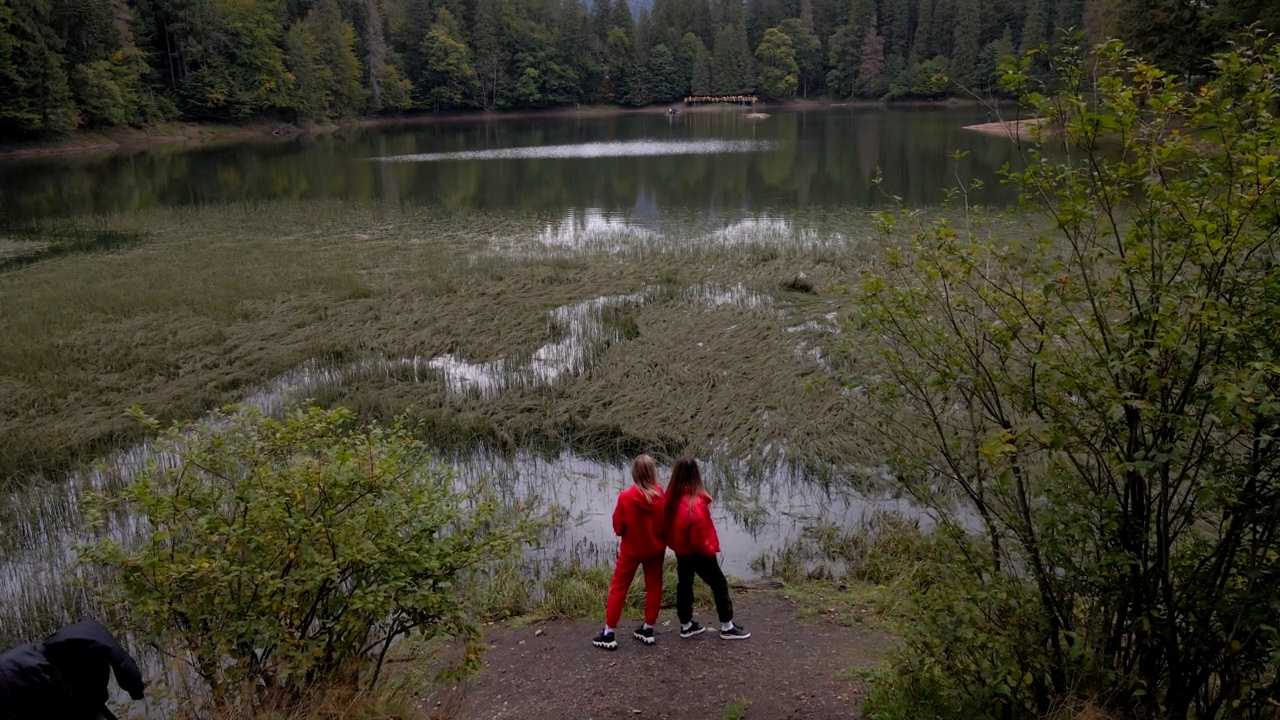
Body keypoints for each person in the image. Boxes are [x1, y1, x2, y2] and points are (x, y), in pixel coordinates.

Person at [665, 456, 750, 640]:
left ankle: (686, 625)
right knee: (719, 583)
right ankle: (727, 626)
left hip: (681, 551)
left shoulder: (671, 498)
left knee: (684, 584)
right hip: (697, 552)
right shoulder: (695, 504)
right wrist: (711, 551)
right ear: (696, 474)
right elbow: (699, 538)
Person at [0, 617, 146, 720]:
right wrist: (137, 691)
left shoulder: (84, 636)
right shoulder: (103, 644)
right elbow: (126, 666)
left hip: (26, 670)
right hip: (12, 677)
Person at [593, 454, 667, 650]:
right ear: (653, 473)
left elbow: (618, 528)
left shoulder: (626, 498)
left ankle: (609, 633)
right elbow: (664, 524)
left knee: (618, 588)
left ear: (634, 473)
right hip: (655, 550)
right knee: (654, 586)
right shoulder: (661, 495)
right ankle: (648, 628)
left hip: (631, 550)